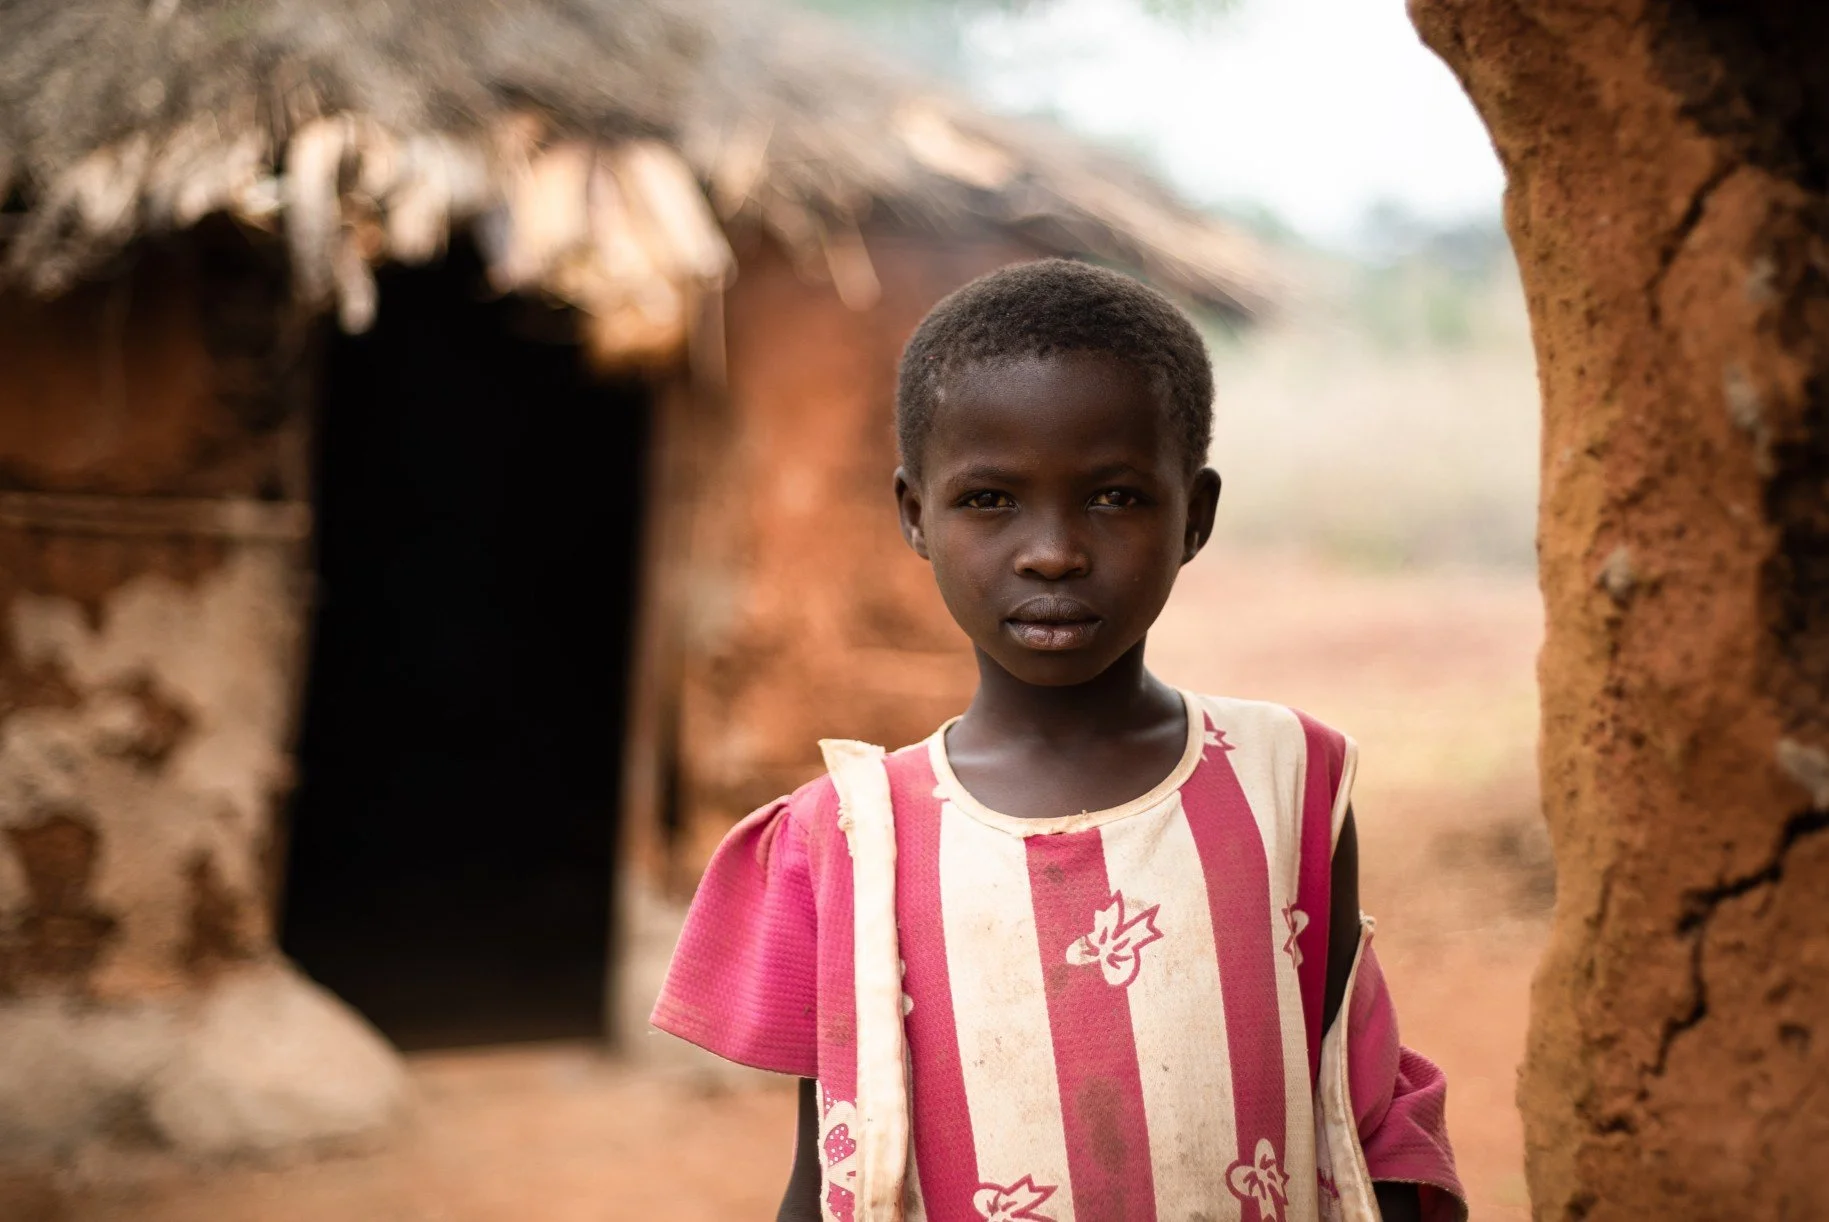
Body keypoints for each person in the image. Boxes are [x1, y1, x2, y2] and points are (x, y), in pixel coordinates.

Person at [652, 260, 1465, 1222]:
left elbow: (1355, 1105)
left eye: (1114, 497)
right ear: (915, 515)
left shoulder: (1292, 779)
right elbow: (834, 1163)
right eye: (989, 499)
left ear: (1193, 515)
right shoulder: (852, 837)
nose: (1052, 550)